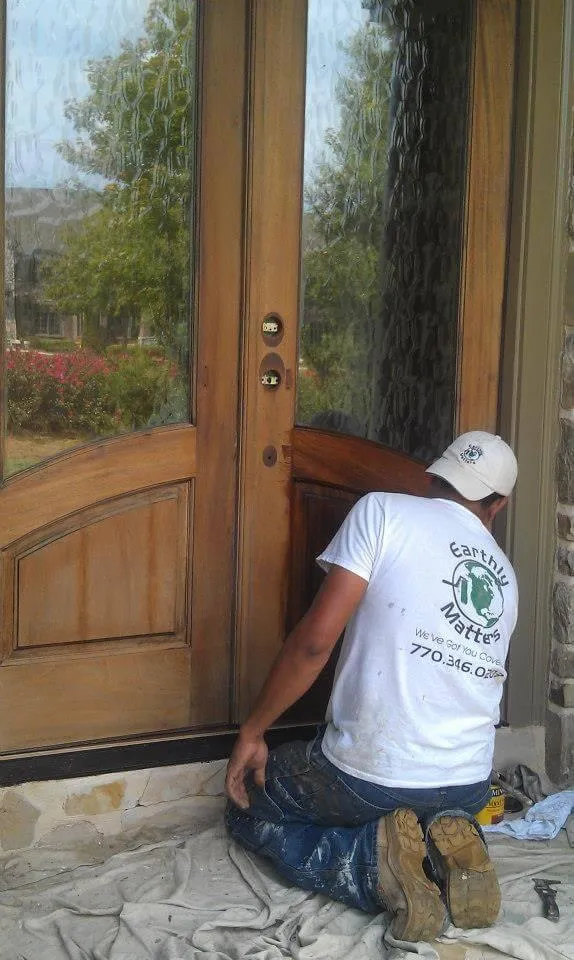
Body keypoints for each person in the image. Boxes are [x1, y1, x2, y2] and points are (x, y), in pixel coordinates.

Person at [225, 431, 518, 943]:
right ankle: (436, 849)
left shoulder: (382, 512)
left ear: (433, 476)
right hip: (469, 783)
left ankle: (371, 866)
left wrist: (254, 730)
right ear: (499, 505)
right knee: (405, 812)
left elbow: (316, 642)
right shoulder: (507, 579)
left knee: (249, 802)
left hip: (370, 777)